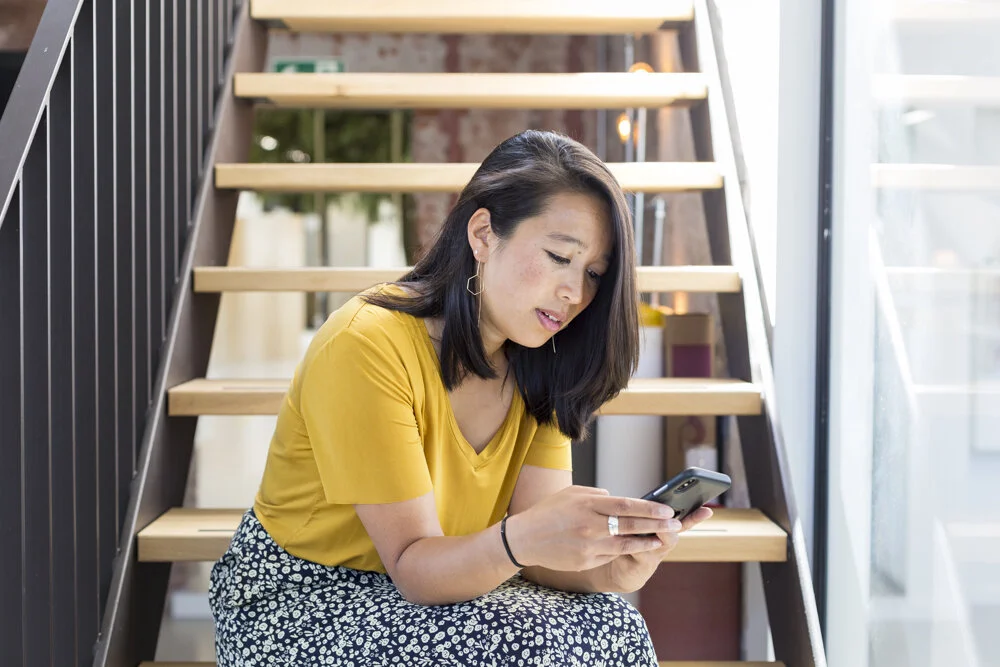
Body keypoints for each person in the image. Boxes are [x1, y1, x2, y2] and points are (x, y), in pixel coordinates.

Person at [209, 129, 713, 666]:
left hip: (443, 585)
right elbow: (416, 565)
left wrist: (616, 568)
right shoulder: (366, 344)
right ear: (483, 234)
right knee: (523, 642)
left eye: (593, 274)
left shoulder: (540, 361)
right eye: (557, 256)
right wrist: (521, 539)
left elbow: (535, 555)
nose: (575, 292)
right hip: (302, 601)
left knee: (614, 623)